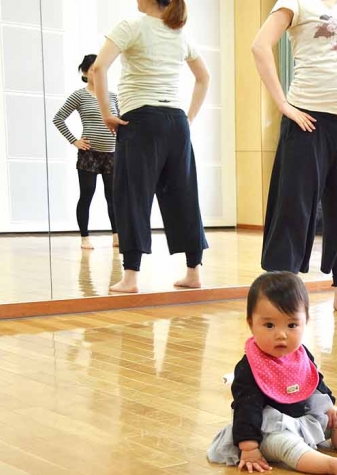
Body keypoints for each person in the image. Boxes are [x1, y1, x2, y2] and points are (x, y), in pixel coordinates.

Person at [251, 0, 337, 316]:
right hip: (307, 122)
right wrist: (284, 105)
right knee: (293, 208)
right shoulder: (295, 2)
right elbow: (260, 46)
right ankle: (282, 294)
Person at [207, 272, 337, 475]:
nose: (281, 334)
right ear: (251, 324)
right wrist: (249, 448)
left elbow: (314, 382)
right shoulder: (250, 367)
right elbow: (245, 408)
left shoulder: (301, 354)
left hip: (304, 419)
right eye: (269, 325)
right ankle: (325, 464)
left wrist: (329, 406)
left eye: (292, 325)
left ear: (306, 321)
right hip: (266, 432)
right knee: (284, 445)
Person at [89, 0, 210, 294]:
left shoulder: (131, 25)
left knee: (132, 196)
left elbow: (98, 69)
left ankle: (130, 277)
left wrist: (106, 112)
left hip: (141, 121)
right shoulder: (180, 33)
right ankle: (193, 272)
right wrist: (188, 118)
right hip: (176, 122)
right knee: (183, 196)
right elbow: (203, 78)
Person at [53, 54, 121, 250]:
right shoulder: (79, 96)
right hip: (89, 154)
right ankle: (84, 237)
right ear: (85, 73)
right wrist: (74, 141)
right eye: (93, 69)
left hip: (111, 154)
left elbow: (121, 123)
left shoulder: (113, 97)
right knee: (87, 195)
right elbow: (58, 118)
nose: (99, 73)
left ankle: (116, 235)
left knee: (113, 196)